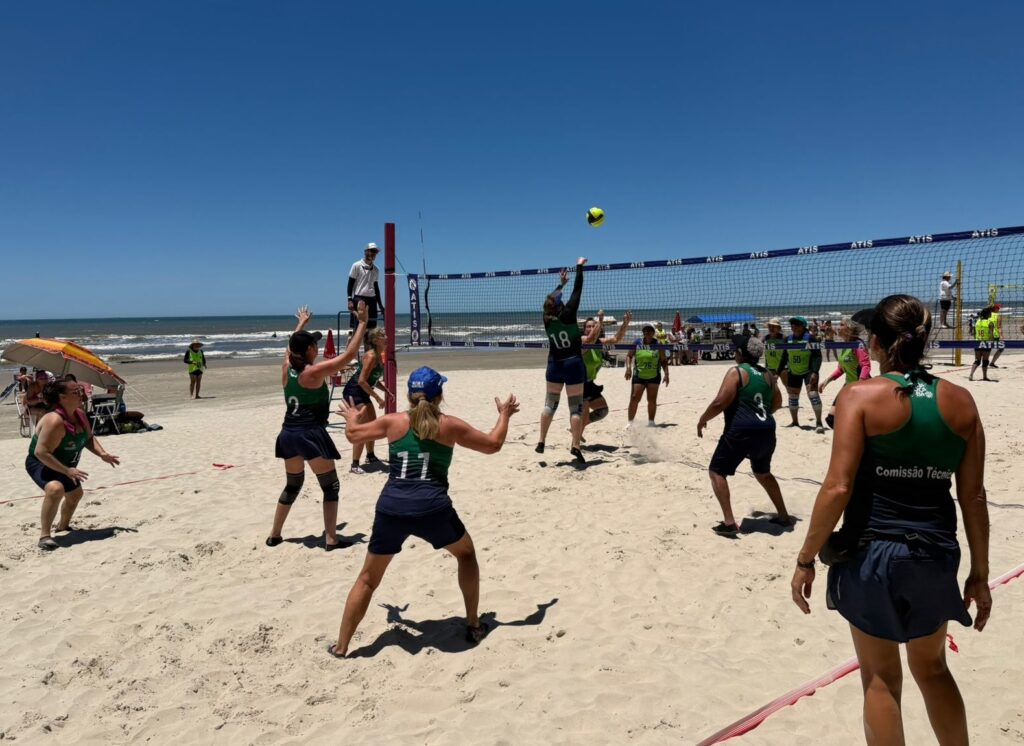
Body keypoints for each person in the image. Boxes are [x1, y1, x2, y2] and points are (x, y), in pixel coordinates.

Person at [791, 294, 991, 745]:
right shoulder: (961, 400)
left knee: (880, 678)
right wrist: (980, 574)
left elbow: (837, 487)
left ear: (877, 343)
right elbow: (973, 498)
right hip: (935, 552)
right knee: (933, 668)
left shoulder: (859, 395)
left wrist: (805, 559)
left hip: (872, 552)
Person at [330, 367, 519, 657]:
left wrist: (352, 418)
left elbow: (353, 435)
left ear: (409, 395)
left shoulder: (393, 421)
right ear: (439, 395)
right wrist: (504, 415)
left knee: (368, 578)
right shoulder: (449, 425)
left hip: (392, 508)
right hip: (432, 508)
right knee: (466, 555)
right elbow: (493, 444)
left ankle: (341, 646)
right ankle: (473, 624)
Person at [266, 304, 368, 550]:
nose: (318, 347)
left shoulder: (286, 367)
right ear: (310, 350)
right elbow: (348, 356)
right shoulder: (312, 372)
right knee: (331, 486)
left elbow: (289, 348)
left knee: (293, 485)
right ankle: (331, 539)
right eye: (315, 344)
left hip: (288, 433)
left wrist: (301, 324)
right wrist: (363, 323)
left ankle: (275, 535)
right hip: (309, 434)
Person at [697, 335, 792, 537]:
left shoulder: (737, 372)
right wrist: (760, 417)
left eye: (736, 349)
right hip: (767, 428)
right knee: (763, 473)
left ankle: (729, 522)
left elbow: (719, 402)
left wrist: (703, 419)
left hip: (741, 430)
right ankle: (784, 516)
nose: (734, 352)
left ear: (740, 353)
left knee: (716, 472)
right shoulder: (768, 375)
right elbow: (777, 403)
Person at [25, 377, 120, 550]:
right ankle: (45, 536)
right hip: (41, 463)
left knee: (75, 495)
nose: (81, 394)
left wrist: (102, 454)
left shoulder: (80, 414)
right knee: (55, 489)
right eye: (76, 391)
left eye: (81, 390)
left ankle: (63, 526)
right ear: (62, 397)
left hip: (65, 464)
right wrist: (67, 470)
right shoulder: (54, 420)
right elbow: (41, 453)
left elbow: (88, 438)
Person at [535, 257, 588, 463]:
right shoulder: (569, 313)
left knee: (550, 405)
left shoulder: (546, 318)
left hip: (555, 365)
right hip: (573, 364)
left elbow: (550, 300)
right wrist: (579, 266)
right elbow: (578, 289)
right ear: (559, 304)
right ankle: (575, 446)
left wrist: (561, 285)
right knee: (575, 408)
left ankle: (541, 441)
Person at [342, 328, 390, 474]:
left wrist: (386, 391)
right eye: (382, 335)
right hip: (354, 391)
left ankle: (370, 456)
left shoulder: (379, 355)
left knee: (372, 424)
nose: (386, 336)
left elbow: (373, 379)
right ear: (375, 340)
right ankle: (355, 465)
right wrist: (378, 398)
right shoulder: (371, 356)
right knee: (362, 428)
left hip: (363, 391)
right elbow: (362, 381)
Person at [580, 310, 632, 435]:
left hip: (589, 383)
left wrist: (625, 323)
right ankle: (576, 439)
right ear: (584, 329)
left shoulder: (598, 343)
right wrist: (600, 320)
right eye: (588, 326)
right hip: (578, 384)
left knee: (602, 410)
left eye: (593, 326)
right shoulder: (582, 341)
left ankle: (578, 428)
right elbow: (591, 339)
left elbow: (616, 338)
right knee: (583, 412)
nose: (591, 328)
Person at [818, 317, 871, 429]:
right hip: (848, 385)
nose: (838, 327)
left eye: (842, 325)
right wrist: (827, 381)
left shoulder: (857, 344)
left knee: (858, 420)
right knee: (831, 419)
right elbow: (841, 369)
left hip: (860, 387)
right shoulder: (846, 345)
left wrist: (860, 383)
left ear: (849, 329)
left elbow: (866, 366)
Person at [782, 316, 824, 432]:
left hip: (809, 371)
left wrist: (815, 371)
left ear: (803, 326)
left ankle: (819, 422)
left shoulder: (810, 338)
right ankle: (795, 422)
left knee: (813, 394)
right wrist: (778, 371)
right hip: (793, 371)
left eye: (796, 324)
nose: (794, 326)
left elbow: (817, 356)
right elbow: (784, 356)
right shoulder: (788, 339)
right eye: (792, 325)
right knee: (793, 397)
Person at [625, 323, 670, 427]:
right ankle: (630, 423)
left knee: (652, 400)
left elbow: (663, 360)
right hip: (639, 375)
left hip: (654, 376)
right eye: (645, 330)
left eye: (649, 330)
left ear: (653, 333)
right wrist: (628, 369)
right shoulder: (637, 342)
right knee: (634, 398)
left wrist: (667, 374)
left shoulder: (658, 344)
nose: (647, 332)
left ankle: (651, 422)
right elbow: (629, 356)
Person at [347, 242, 386, 330]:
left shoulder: (376, 269)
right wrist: (349, 300)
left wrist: (380, 305)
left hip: (372, 300)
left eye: (375, 252)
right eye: (372, 251)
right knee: (357, 327)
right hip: (359, 298)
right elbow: (350, 284)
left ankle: (368, 340)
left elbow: (376, 288)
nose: (373, 253)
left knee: (371, 328)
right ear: (366, 252)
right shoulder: (356, 265)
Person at [969, 306, 997, 382]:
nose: (991, 314)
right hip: (986, 343)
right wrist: (993, 342)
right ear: (987, 314)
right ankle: (984, 377)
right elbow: (991, 335)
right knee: (985, 361)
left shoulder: (977, 322)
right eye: (990, 313)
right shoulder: (990, 323)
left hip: (977, 342)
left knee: (977, 360)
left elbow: (974, 333)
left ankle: (971, 375)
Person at [989, 303, 1004, 368]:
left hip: (987, 334)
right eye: (998, 308)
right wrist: (1001, 335)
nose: (999, 309)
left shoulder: (987, 315)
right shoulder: (998, 316)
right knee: (1001, 348)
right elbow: (999, 327)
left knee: (987, 349)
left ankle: (985, 362)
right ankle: (992, 363)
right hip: (995, 335)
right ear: (995, 309)